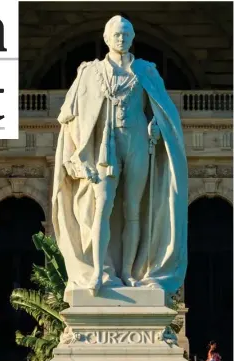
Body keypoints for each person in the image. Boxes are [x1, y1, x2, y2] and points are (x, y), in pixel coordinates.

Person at [52, 15, 188, 297]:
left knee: (134, 210)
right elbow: (68, 113)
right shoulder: (90, 72)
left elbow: (164, 111)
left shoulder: (146, 70)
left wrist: (157, 125)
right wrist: (79, 154)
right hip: (105, 147)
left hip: (138, 142)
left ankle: (129, 273)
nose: (121, 38)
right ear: (106, 38)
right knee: (102, 205)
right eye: (116, 34)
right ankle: (100, 272)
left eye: (126, 33)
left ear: (132, 37)